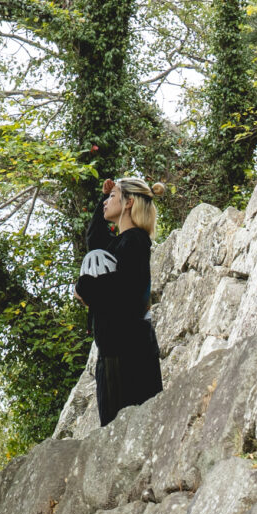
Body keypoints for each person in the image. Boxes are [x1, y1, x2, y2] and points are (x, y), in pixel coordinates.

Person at [75, 173, 162, 425]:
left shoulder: (135, 241)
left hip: (131, 354)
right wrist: (105, 194)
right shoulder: (118, 244)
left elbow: (123, 289)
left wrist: (84, 287)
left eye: (112, 197)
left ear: (129, 203)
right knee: (114, 434)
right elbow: (95, 240)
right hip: (113, 353)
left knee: (130, 432)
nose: (105, 202)